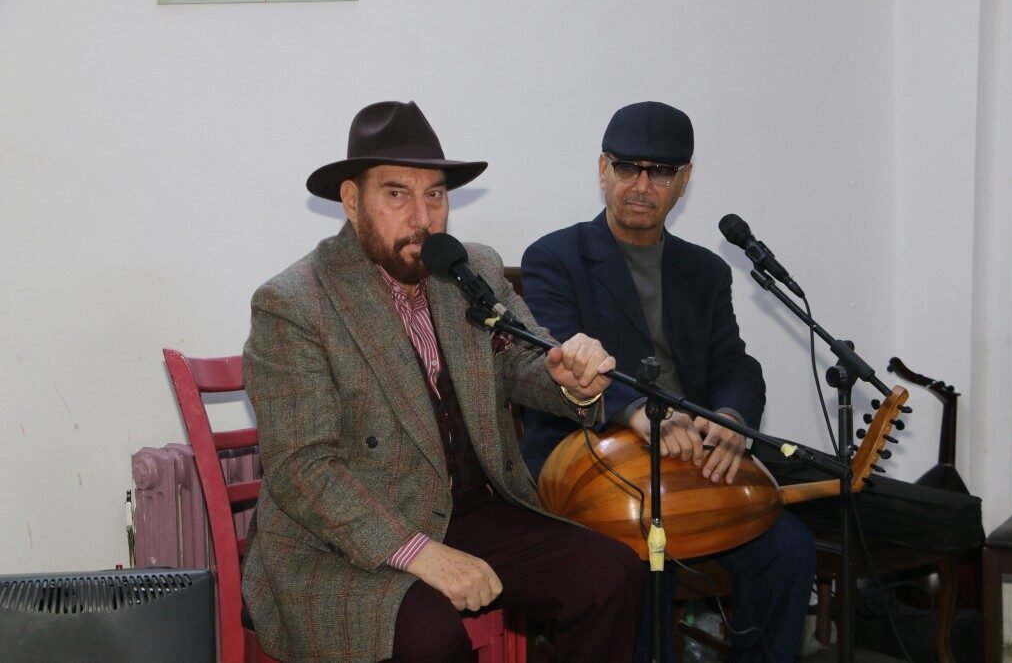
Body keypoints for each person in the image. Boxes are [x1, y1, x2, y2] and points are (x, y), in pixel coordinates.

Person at [241, 101, 644, 663]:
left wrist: (571, 382)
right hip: (338, 544)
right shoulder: (294, 303)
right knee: (430, 637)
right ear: (352, 201)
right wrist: (420, 553)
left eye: (435, 194)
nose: (422, 217)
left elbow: (524, 361)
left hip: (469, 514)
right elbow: (304, 469)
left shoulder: (469, 269)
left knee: (611, 574)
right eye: (397, 194)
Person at [518, 101, 816, 662]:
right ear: (602, 169)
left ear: (684, 180)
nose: (641, 185)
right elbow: (550, 361)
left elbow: (734, 364)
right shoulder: (555, 258)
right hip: (588, 462)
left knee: (790, 548)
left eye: (660, 172)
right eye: (627, 167)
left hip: (685, 469)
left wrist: (731, 419)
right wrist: (637, 411)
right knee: (637, 564)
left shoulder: (706, 270)